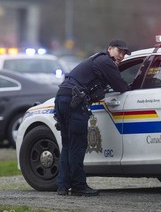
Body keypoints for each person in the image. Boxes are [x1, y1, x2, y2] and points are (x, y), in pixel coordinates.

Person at [54, 39, 131, 196]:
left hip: (62, 98)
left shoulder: (96, 60)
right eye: (119, 51)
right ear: (109, 49)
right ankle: (78, 187)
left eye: (124, 53)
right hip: (74, 102)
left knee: (68, 144)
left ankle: (62, 186)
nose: (121, 55)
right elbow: (121, 86)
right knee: (77, 145)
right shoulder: (106, 61)